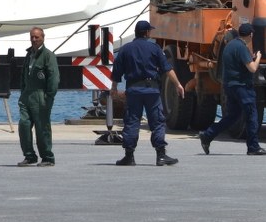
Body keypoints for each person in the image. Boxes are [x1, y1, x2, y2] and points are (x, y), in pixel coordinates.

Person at [111, 20, 183, 166]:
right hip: (152, 90)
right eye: (150, 31)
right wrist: (178, 84)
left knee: (132, 122)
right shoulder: (154, 48)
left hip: (133, 90)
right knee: (157, 122)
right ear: (146, 33)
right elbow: (167, 69)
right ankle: (161, 155)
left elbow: (117, 72)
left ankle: (129, 156)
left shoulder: (125, 49)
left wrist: (113, 89)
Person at [199, 23, 266, 156]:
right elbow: (252, 68)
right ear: (250, 35)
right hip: (242, 87)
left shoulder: (230, 45)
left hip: (229, 86)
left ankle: (207, 135)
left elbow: (237, 63)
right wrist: (258, 57)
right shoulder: (242, 47)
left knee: (232, 116)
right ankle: (253, 147)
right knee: (252, 115)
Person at [17, 27, 59, 167]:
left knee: (42, 128)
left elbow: (54, 78)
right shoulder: (29, 54)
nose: (34, 40)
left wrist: (49, 97)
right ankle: (29, 156)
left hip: (41, 96)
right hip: (27, 95)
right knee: (24, 124)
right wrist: (23, 92)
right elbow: (24, 75)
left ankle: (47, 157)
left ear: (43, 37)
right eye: (32, 37)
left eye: (37, 37)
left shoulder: (48, 55)